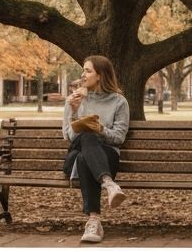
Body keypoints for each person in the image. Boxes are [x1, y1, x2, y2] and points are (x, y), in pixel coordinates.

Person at [62, 55, 130, 245]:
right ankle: (109, 184)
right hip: (75, 159)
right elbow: (68, 136)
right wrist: (75, 112)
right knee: (86, 137)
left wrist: (100, 128)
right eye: (83, 70)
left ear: (100, 75)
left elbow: (119, 138)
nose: (83, 75)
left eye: (88, 71)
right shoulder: (75, 99)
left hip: (107, 157)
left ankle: (93, 221)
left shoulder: (119, 102)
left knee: (87, 154)